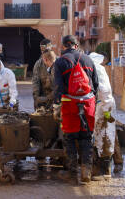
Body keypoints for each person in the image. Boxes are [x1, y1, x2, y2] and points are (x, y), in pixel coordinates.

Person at [54, 35, 99, 184]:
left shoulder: (60, 62)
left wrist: (56, 107)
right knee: (86, 137)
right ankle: (86, 171)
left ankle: (72, 173)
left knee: (70, 138)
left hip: (69, 103)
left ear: (64, 46)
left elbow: (59, 88)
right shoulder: (88, 59)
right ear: (76, 45)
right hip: (88, 103)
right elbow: (96, 84)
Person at [89, 52, 117, 181]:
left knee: (105, 136)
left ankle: (104, 170)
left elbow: (104, 91)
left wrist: (106, 111)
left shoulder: (97, 69)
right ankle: (105, 168)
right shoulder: (97, 68)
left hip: (105, 105)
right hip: (102, 105)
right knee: (103, 135)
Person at [32, 39, 54, 108]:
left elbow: (59, 86)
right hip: (42, 98)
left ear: (51, 48)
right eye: (42, 50)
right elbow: (36, 81)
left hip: (55, 98)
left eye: (45, 50)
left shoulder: (58, 62)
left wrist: (49, 97)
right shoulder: (38, 64)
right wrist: (36, 98)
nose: (43, 52)